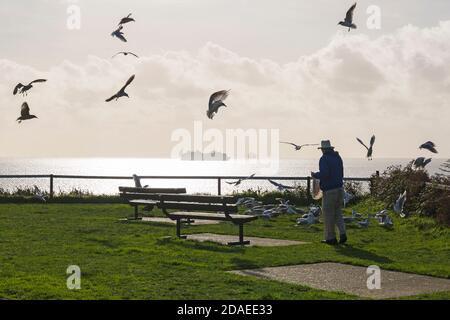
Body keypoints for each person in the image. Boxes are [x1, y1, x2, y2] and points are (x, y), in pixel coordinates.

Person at [311, 140, 347, 245]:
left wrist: (316, 175)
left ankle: (331, 238)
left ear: (323, 149)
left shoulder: (324, 159)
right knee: (338, 214)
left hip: (329, 191)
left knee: (328, 215)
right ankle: (343, 233)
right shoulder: (338, 158)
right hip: (340, 189)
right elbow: (341, 173)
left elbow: (325, 174)